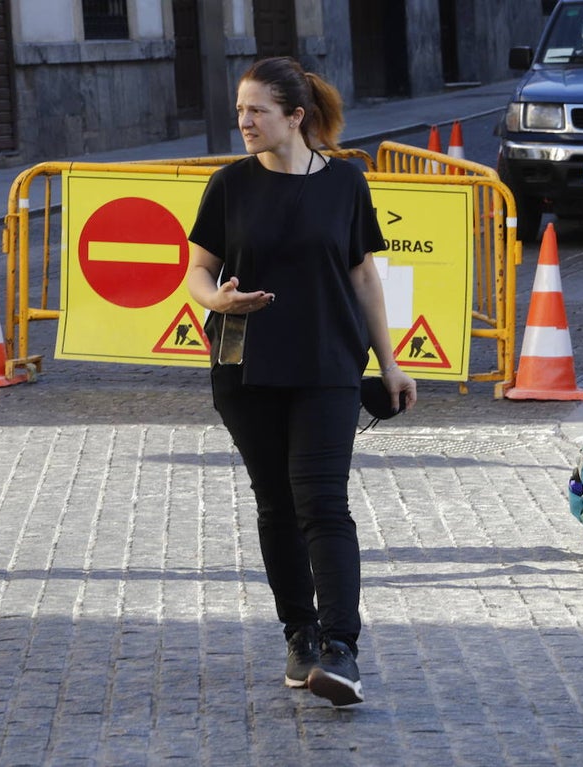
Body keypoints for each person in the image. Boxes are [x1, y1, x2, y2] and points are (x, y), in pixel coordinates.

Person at [185, 56, 417, 707]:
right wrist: (218, 301)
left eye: (256, 110)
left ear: (295, 116)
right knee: (276, 505)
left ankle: (342, 648)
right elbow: (195, 270)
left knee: (323, 501)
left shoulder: (345, 182)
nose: (244, 121)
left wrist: (390, 362)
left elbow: (364, 277)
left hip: (326, 366)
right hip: (245, 369)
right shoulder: (229, 184)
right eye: (239, 111)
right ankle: (300, 633)